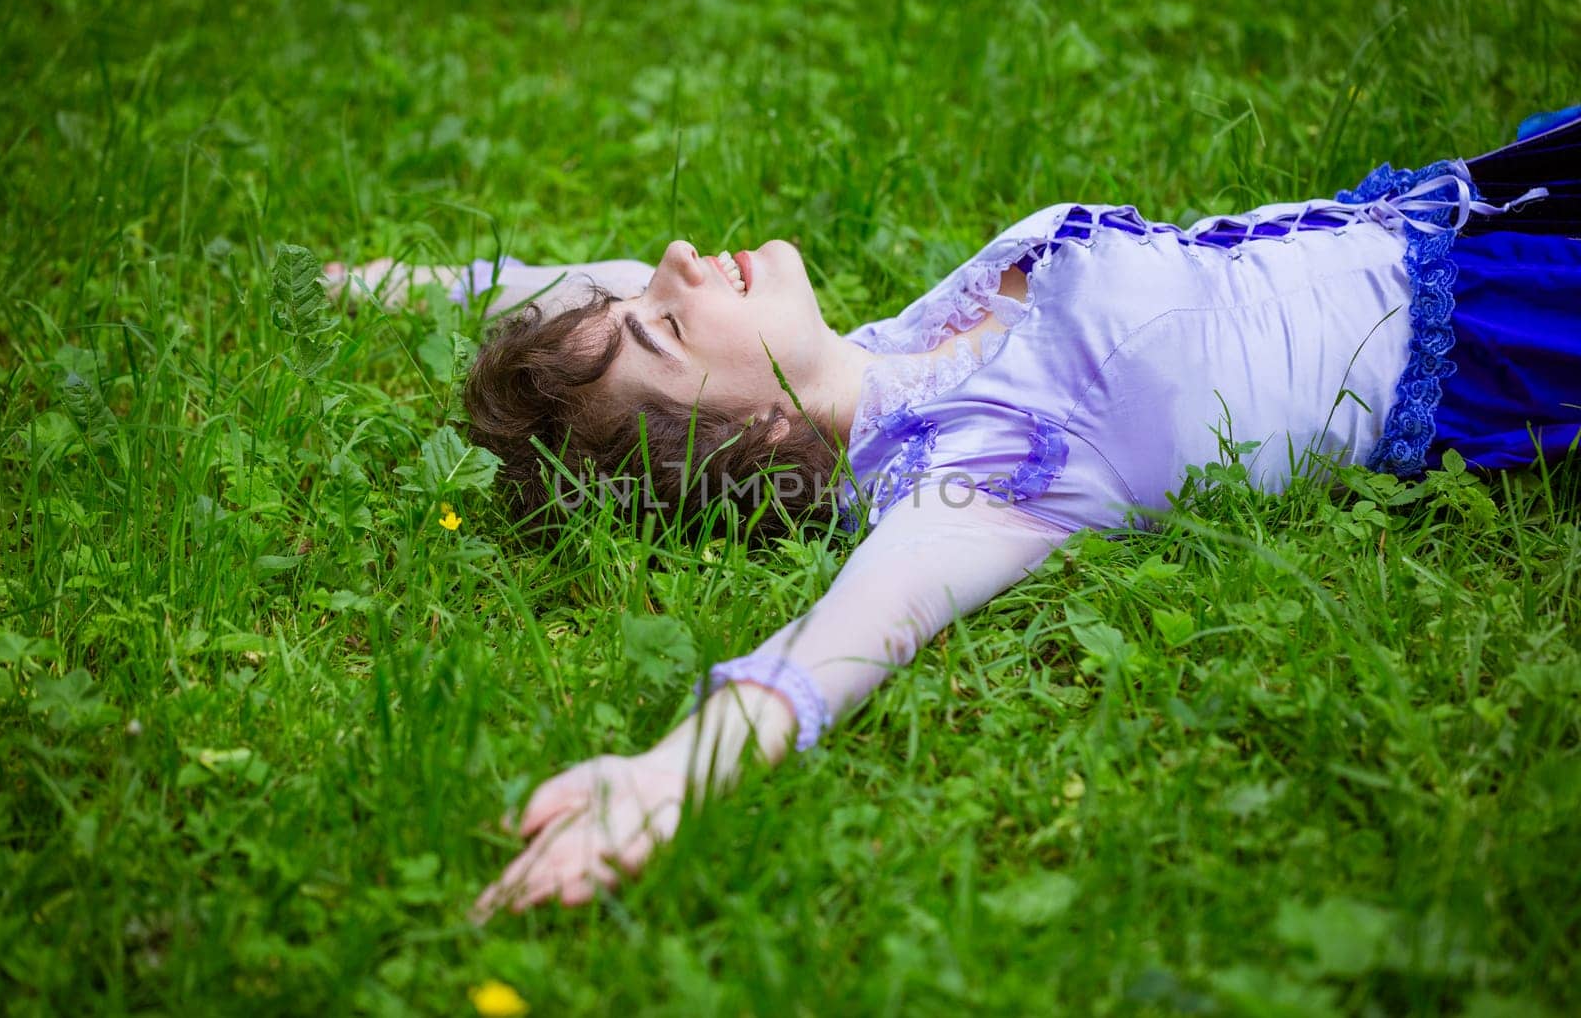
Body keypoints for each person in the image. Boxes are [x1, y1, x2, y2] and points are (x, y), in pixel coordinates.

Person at [328, 109, 1581, 918]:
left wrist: (373, 283)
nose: (668, 259)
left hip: (1468, 206)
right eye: (666, 322)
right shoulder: (975, 473)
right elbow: (828, 654)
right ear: (752, 433)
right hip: (1513, 323)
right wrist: (664, 776)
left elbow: (596, 288)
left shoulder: (880, 355)